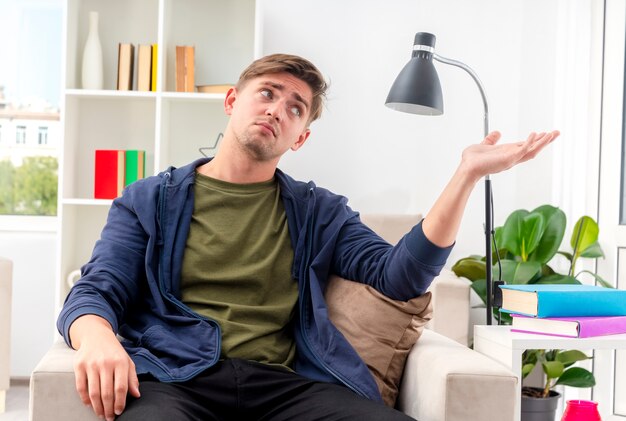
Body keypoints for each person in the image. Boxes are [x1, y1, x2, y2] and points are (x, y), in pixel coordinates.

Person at [58, 53, 559, 421]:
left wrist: (466, 174)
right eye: (268, 93)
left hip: (285, 387)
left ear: (300, 137)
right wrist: (97, 336)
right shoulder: (148, 200)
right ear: (232, 102)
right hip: (176, 379)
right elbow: (96, 288)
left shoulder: (319, 212)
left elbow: (400, 275)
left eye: (296, 108)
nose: (278, 109)